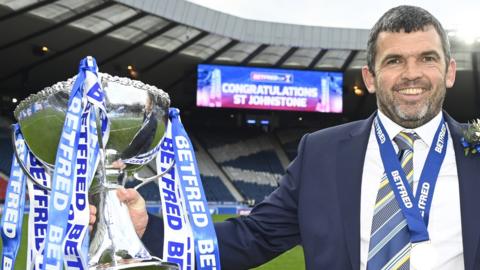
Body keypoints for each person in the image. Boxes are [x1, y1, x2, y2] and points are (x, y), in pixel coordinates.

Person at [90, 5, 480, 269]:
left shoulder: (475, 153)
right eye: (394, 61)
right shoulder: (322, 153)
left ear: (448, 70)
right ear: (370, 78)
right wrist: (149, 228)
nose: (412, 74)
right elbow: (250, 237)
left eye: (426, 58)